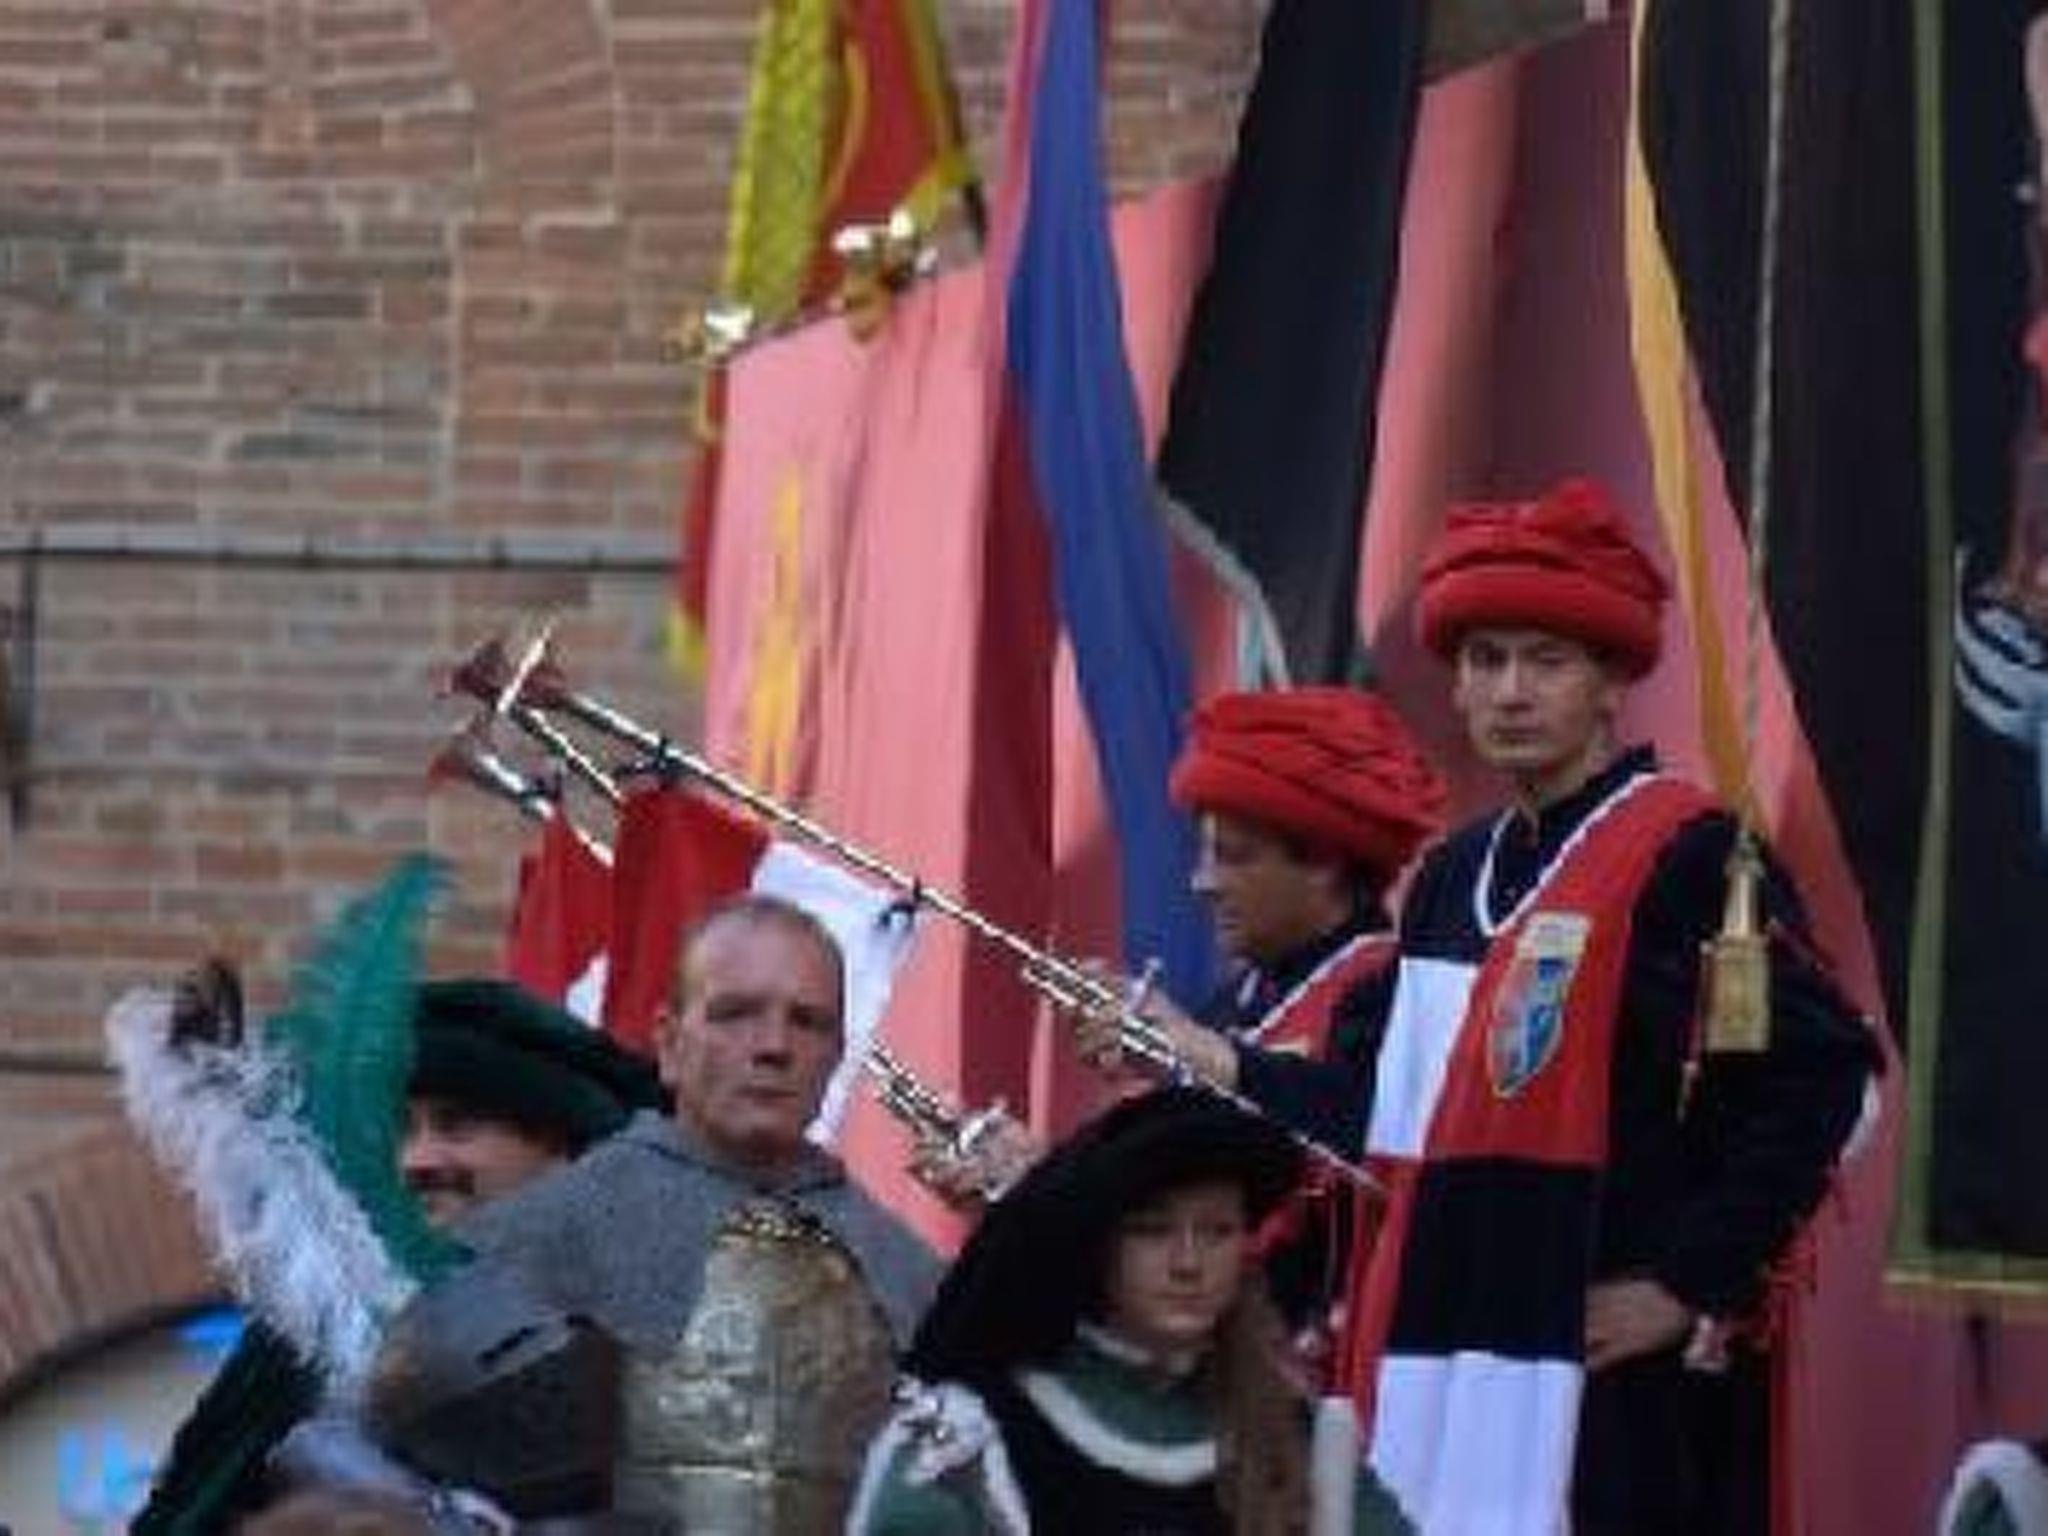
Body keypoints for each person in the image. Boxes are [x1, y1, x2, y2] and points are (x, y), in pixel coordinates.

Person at [1348, 477, 1878, 1534]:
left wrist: (1687, 1281)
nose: (1509, 692)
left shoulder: (1693, 855)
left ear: (1609, 682)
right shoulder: (1449, 878)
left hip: (1615, 1384)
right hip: (1446, 1355)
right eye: (1484, 660)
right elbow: (1389, 1119)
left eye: (1546, 661)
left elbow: (1827, 1078)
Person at [414, 893, 942, 1529]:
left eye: (807, 1022)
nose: (774, 1046)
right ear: (668, 1043)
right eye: (735, 1014)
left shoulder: (906, 1270)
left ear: (836, 1055)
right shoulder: (543, 1233)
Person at [133, 975, 667, 1535]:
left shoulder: (667, 1317)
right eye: (400, 1130)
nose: (418, 1160)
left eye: (457, 1126)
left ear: (560, 1145)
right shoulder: (297, 1349)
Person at [847, 1086, 1414, 1534]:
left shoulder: (1296, 1441)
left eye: (1217, 1231)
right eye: (1153, 1230)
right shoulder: (969, 1441)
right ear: (1100, 1245)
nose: (1188, 1263)